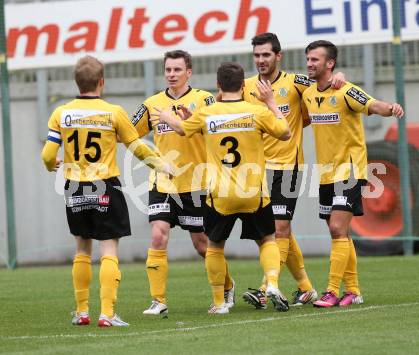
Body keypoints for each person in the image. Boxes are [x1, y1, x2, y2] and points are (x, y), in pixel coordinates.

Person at [41, 55, 171, 327]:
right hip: (105, 186)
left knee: (82, 249)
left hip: (75, 187)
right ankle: (107, 313)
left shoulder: (61, 113)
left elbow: (48, 153)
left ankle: (82, 311)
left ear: (77, 82)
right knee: (109, 249)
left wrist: (50, 164)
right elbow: (137, 147)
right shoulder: (114, 112)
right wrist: (160, 165)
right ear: (102, 81)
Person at [153, 62, 292, 313]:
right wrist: (271, 102)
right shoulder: (256, 111)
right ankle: (271, 282)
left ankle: (219, 303)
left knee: (215, 246)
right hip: (254, 193)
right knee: (267, 240)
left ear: (218, 85)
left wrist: (167, 117)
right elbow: (285, 133)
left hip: (220, 195)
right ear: (242, 85)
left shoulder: (208, 113)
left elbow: (183, 129)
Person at [242, 33, 346, 308]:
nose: (261, 60)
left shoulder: (296, 82)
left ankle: (267, 289)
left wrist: (340, 77)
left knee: (280, 227)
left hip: (287, 168)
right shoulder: (245, 86)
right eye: (257, 55)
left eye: (266, 54)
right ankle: (306, 287)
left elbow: (324, 85)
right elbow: (223, 104)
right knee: (272, 232)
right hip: (255, 170)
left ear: (278, 56)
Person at [131, 50, 234, 316]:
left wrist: (193, 124)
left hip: (197, 184)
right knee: (157, 235)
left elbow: (223, 128)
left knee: (202, 245)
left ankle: (227, 286)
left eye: (177, 70)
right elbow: (129, 134)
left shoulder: (204, 99)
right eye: (168, 70)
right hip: (163, 182)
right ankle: (158, 300)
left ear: (189, 72)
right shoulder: (152, 104)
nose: (172, 75)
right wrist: (152, 160)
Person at [302, 40, 404, 307]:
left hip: (349, 170)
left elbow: (373, 105)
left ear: (330, 63)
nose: (310, 64)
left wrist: (391, 108)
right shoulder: (308, 92)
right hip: (325, 174)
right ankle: (354, 291)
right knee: (340, 233)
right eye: (308, 59)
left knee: (337, 228)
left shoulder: (346, 91)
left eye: (315, 59)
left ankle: (332, 291)